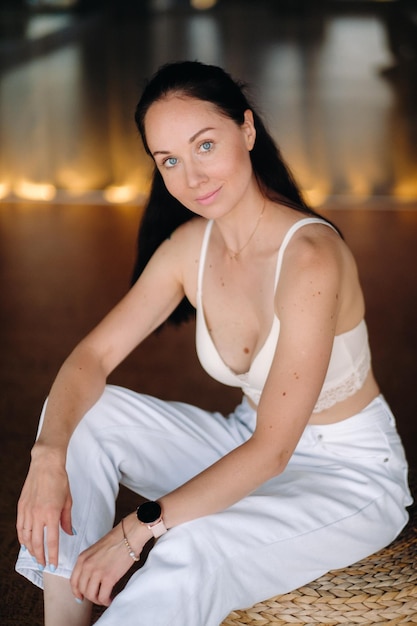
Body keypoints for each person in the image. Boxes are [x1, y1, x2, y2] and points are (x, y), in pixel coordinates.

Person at [16, 61, 412, 626]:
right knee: (81, 416)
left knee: (188, 546)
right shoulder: (187, 247)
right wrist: (47, 456)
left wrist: (136, 529)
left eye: (206, 145)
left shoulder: (311, 259)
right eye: (170, 160)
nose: (192, 177)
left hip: (346, 473)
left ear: (247, 131)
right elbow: (91, 358)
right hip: (243, 439)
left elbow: (275, 451)